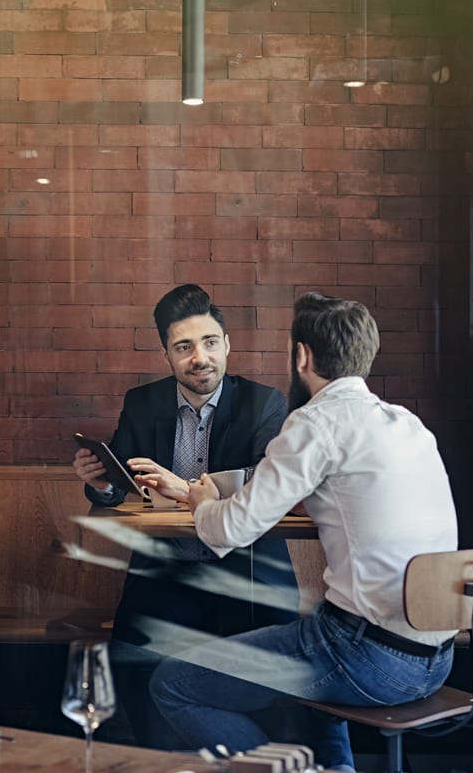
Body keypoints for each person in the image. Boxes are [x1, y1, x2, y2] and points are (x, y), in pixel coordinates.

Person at [147, 293, 459, 773]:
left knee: (173, 683)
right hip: (438, 660)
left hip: (364, 657)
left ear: (302, 356)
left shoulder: (315, 422)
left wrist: (201, 499)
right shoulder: (410, 425)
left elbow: (232, 528)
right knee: (309, 638)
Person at [72, 284, 300, 751]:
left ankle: (254, 758)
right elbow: (121, 481)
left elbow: (267, 481)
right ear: (167, 355)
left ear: (227, 344)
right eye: (185, 347)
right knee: (129, 660)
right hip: (167, 572)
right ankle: (166, 759)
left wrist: (192, 490)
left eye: (210, 342)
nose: (200, 357)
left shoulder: (265, 403)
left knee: (268, 681)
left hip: (246, 574)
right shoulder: (143, 403)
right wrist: (101, 483)